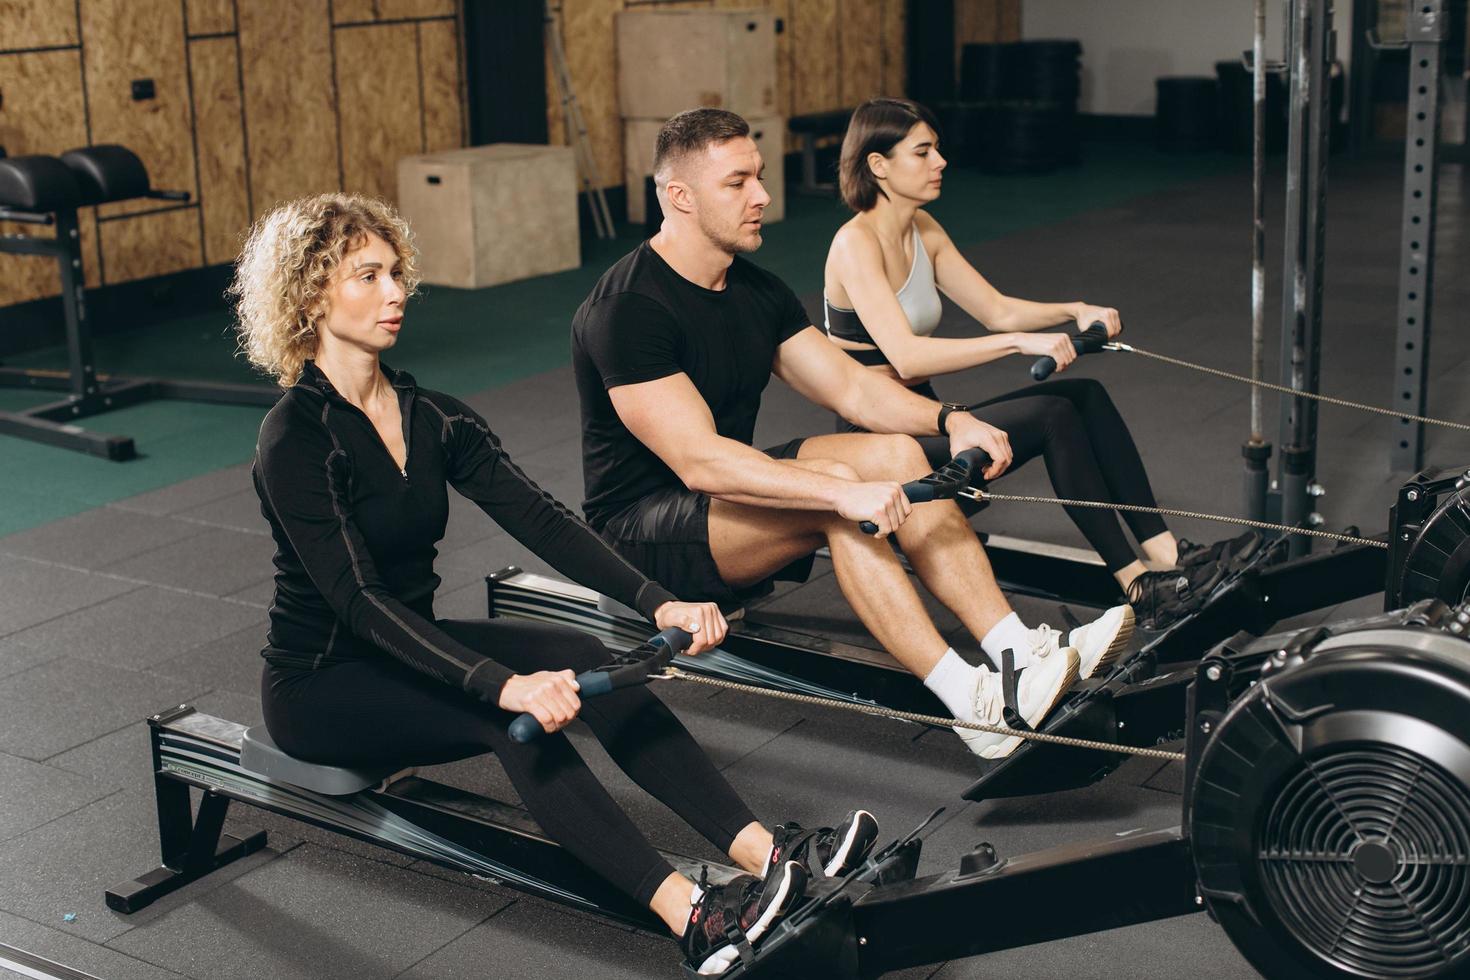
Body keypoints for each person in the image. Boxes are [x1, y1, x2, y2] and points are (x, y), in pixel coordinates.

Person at [232, 192, 878, 975]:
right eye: (367, 276)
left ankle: (770, 852)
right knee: (506, 721)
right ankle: (694, 917)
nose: (396, 291)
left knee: (581, 657)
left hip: (413, 646)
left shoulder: (429, 415)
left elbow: (541, 520)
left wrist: (656, 600)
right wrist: (502, 685)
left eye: (396, 272)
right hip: (322, 680)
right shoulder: (296, 437)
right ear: (309, 297)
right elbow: (357, 601)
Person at [571, 108, 1136, 762]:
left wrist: (949, 420)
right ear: (680, 197)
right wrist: (838, 494)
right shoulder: (627, 308)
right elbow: (698, 461)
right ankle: (972, 703)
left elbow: (853, 388)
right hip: (642, 534)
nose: (762, 195)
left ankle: (1017, 648)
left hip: (724, 500)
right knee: (840, 494)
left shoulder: (755, 291)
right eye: (737, 183)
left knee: (895, 456)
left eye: (759, 176)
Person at [822, 98, 1261, 629]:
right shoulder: (854, 244)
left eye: (937, 148)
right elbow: (906, 355)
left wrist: (1075, 310)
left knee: (1085, 395)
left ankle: (1167, 555)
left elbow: (995, 308)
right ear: (878, 165)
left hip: (927, 416)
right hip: (880, 440)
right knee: (1053, 414)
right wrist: (1017, 343)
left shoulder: (924, 230)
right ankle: (1138, 586)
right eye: (923, 151)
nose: (941, 161)